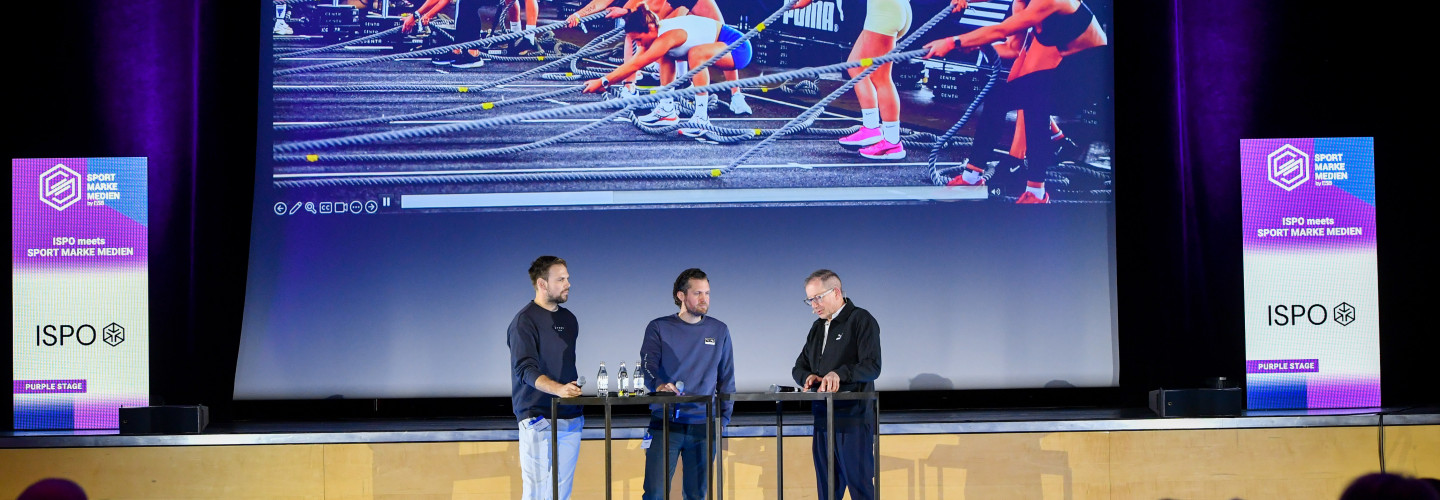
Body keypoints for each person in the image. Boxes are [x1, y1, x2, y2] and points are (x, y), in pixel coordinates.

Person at [923, 0, 1109, 203]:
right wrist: (975, 46)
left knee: (1036, 99)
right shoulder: (1020, 3)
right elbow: (1011, 48)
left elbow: (1002, 30)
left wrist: (953, 42)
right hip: (1066, 72)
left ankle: (1036, 193)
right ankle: (972, 177)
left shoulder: (1051, 1)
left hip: (1092, 76)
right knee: (998, 98)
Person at [639, 268, 736, 500]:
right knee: (654, 493)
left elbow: (726, 377)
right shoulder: (658, 327)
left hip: (704, 426)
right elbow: (647, 365)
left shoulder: (719, 330)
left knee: (697, 494)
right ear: (681, 296)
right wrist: (659, 385)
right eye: (698, 293)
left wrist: (723, 419)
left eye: (707, 293)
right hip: (664, 424)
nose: (704, 299)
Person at [581, 8, 754, 134]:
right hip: (721, 47)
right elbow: (634, 62)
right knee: (666, 56)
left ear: (649, 28)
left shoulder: (667, 37)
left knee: (696, 53)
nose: (639, 45)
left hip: (738, 48)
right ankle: (667, 109)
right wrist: (606, 81)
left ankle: (701, 119)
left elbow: (635, 66)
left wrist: (603, 81)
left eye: (639, 40)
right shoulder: (655, 34)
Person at [791, 269, 881, 500]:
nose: (813, 305)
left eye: (817, 298)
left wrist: (839, 374)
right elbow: (798, 367)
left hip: (853, 421)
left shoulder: (861, 320)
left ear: (836, 292)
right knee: (827, 491)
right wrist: (807, 378)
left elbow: (872, 366)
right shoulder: (817, 327)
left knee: (860, 489)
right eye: (809, 300)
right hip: (823, 419)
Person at [508, 256, 585, 500]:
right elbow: (525, 369)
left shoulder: (569, 319)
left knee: (561, 489)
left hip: (569, 416)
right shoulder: (524, 321)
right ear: (542, 284)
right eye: (560, 279)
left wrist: (568, 390)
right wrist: (557, 389)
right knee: (537, 489)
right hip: (536, 415)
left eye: (568, 278)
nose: (568, 283)